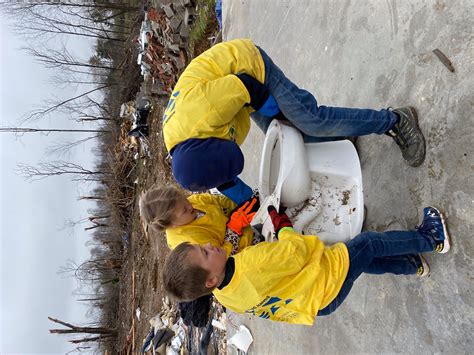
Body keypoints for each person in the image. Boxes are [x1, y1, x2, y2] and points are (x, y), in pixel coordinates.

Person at [162, 38, 426, 204]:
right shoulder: (197, 166)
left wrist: (281, 117)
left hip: (248, 71)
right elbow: (224, 179)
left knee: (310, 121)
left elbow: (248, 87)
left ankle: (393, 120)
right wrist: (254, 208)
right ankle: (344, 134)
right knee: (289, 140)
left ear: (207, 141)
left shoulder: (202, 112)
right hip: (234, 100)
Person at [162, 205, 450, 325]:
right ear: (210, 280)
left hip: (316, 303)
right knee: (368, 244)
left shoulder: (225, 295)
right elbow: (297, 250)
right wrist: (283, 225)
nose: (211, 245)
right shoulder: (251, 263)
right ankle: (431, 239)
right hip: (324, 280)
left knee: (358, 262)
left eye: (202, 245)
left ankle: (412, 266)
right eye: (205, 252)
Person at [138, 184, 260, 257]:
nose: (190, 206)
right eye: (184, 210)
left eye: (186, 200)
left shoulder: (192, 202)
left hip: (247, 231)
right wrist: (233, 228)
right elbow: (222, 259)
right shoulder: (190, 242)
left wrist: (245, 203)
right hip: (244, 253)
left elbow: (219, 201)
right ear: (172, 225)